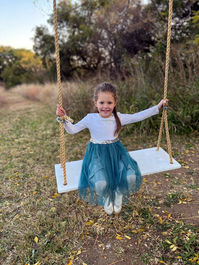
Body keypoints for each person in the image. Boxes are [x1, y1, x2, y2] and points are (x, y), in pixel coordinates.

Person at [56, 82, 168, 215]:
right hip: (97, 154)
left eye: (109, 103)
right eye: (101, 102)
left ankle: (119, 193)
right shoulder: (90, 118)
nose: (105, 106)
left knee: (130, 177)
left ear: (115, 103)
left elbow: (138, 116)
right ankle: (106, 197)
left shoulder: (118, 117)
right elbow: (72, 130)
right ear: (95, 103)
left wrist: (158, 107)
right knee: (100, 184)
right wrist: (63, 119)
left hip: (116, 152)